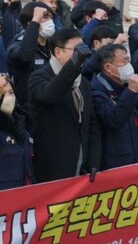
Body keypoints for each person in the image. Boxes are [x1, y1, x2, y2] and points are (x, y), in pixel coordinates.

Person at [27, 29, 100, 182]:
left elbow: (91, 123)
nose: (82, 55)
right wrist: (75, 63)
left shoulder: (83, 83)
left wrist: (93, 160)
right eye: (76, 50)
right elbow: (50, 95)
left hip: (79, 160)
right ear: (58, 52)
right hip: (50, 162)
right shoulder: (39, 76)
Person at [91, 44, 138, 169]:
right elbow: (114, 120)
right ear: (108, 67)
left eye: (128, 60)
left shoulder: (123, 87)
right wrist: (131, 91)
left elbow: (135, 124)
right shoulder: (97, 92)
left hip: (133, 159)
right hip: (113, 165)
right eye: (124, 62)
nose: (128, 66)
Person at [7, 3, 54, 107]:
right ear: (31, 22)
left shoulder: (53, 46)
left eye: (51, 17)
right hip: (28, 108)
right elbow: (25, 56)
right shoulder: (17, 45)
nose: (50, 21)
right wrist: (35, 23)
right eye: (45, 17)